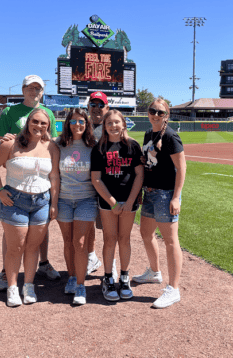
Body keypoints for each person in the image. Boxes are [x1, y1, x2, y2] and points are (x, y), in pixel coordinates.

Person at [0, 75, 60, 291]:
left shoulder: (48, 113)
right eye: (30, 88)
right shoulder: (10, 112)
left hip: (40, 182)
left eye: (38, 88)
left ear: (42, 91)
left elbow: (52, 142)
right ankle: (6, 271)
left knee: (40, 227)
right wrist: (7, 147)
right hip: (17, 178)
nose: (34, 91)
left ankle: (43, 262)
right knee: (14, 230)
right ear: (23, 90)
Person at [133, 99, 186, 309]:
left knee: (171, 241)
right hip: (150, 192)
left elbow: (182, 169)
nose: (156, 114)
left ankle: (173, 289)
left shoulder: (171, 136)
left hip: (166, 194)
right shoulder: (149, 134)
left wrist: (176, 197)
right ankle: (154, 273)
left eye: (160, 112)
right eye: (152, 110)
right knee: (146, 233)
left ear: (167, 114)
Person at [91, 110, 144, 301]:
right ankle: (107, 278)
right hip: (108, 202)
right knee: (110, 239)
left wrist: (130, 201)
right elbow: (96, 179)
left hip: (129, 200)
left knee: (124, 239)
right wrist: (112, 202)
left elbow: (139, 174)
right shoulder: (99, 148)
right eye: (109, 123)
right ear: (104, 127)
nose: (113, 126)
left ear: (123, 124)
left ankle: (124, 276)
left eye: (116, 122)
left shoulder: (132, 146)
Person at [55, 108, 97, 305]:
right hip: (64, 199)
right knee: (68, 241)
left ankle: (81, 285)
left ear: (87, 123)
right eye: (73, 122)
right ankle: (71, 277)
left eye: (81, 121)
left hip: (86, 199)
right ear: (67, 124)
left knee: (79, 243)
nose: (77, 125)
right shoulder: (59, 144)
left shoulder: (93, 145)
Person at [85, 91, 118, 278]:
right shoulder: (82, 126)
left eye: (101, 105)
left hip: (107, 186)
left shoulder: (111, 128)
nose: (97, 108)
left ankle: (110, 263)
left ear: (107, 108)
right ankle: (91, 257)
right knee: (87, 223)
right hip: (86, 186)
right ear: (88, 107)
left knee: (108, 228)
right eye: (93, 104)